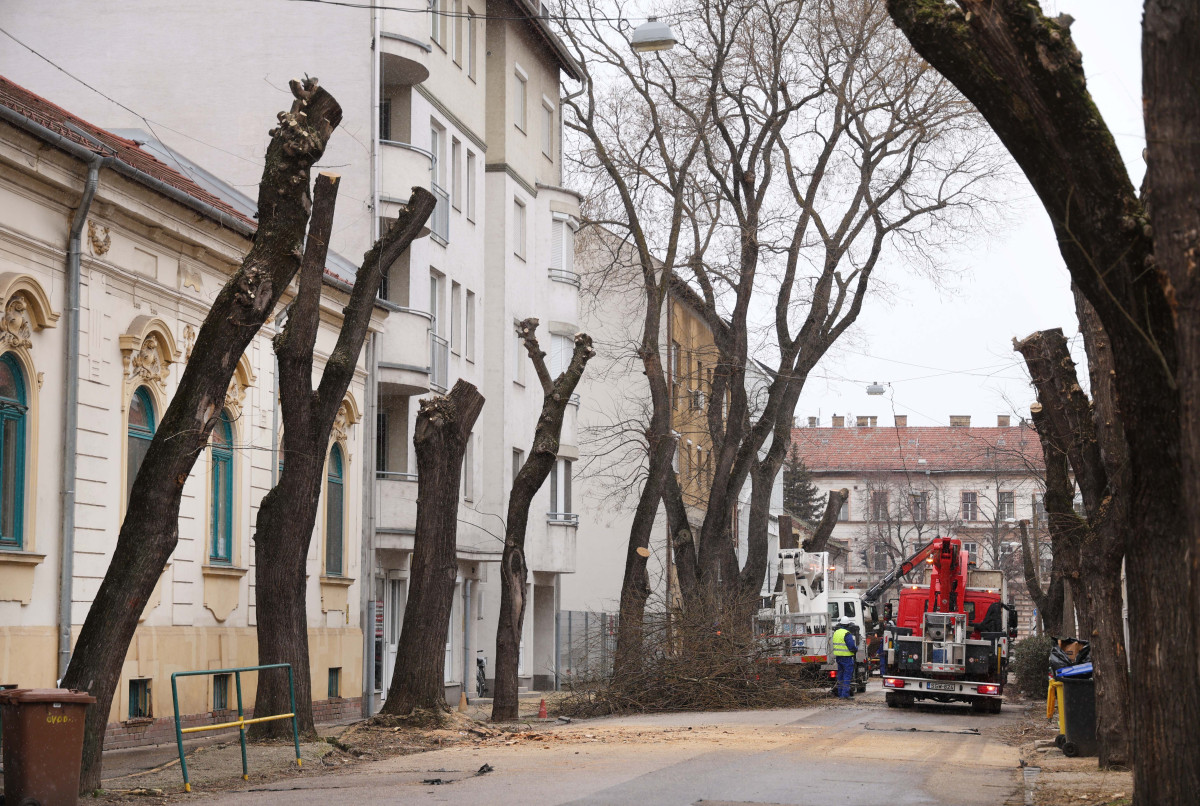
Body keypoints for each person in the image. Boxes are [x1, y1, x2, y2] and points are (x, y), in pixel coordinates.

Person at [832, 619, 857, 698]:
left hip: (839, 657)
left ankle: (840, 694)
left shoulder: (836, 633)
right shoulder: (847, 633)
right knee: (847, 676)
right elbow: (851, 646)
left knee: (840, 676)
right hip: (846, 658)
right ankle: (845, 695)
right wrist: (856, 649)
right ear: (848, 625)